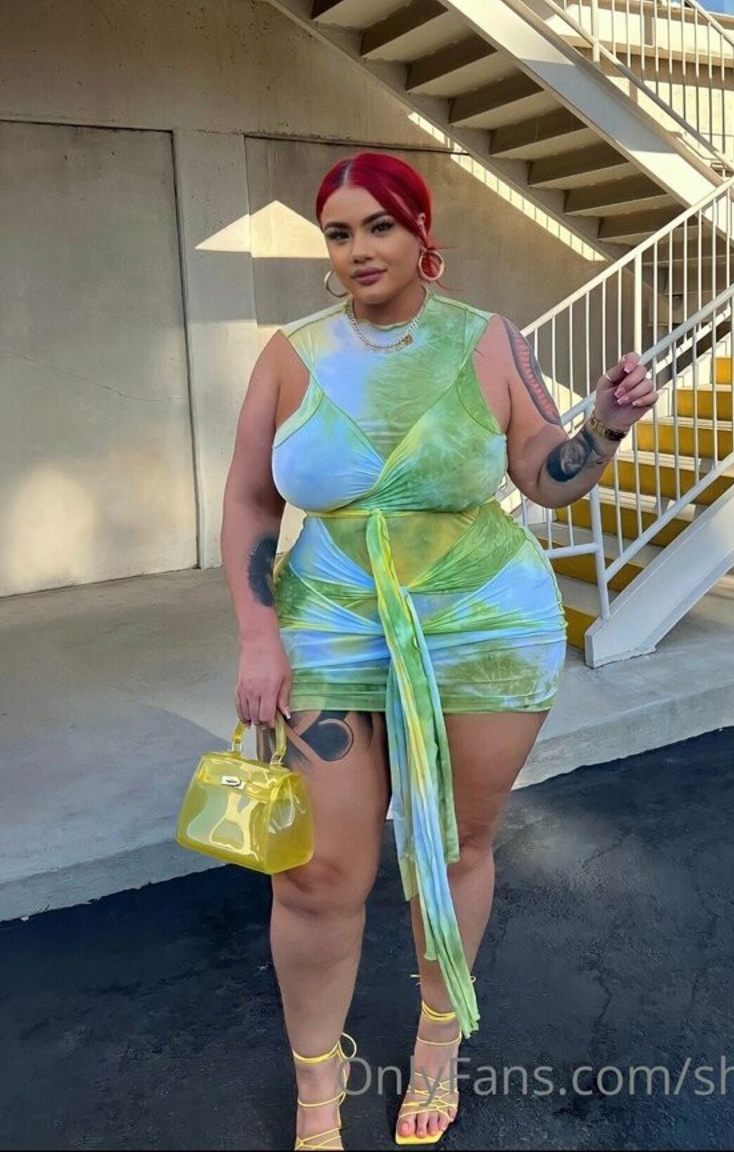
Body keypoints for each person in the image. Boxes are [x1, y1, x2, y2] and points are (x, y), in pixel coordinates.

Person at [220, 151, 657, 1150]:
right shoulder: (289, 354)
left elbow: (544, 474)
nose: (358, 248)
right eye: (339, 232)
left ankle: (436, 1039)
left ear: (423, 234)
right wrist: (257, 635)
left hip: (482, 625)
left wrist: (603, 427)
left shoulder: (488, 339)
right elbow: (250, 500)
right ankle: (318, 1088)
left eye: (379, 224)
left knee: (452, 844)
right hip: (330, 624)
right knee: (315, 872)